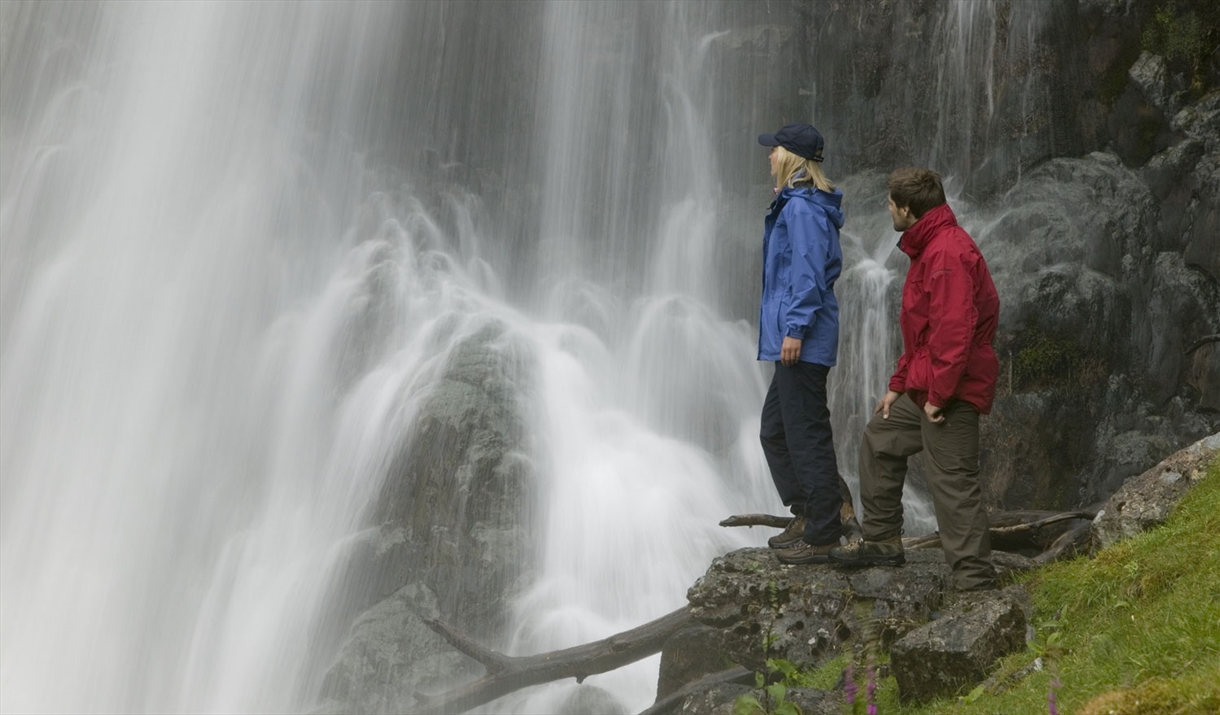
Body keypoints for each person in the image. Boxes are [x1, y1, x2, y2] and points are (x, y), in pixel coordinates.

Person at [829, 167, 1000, 591]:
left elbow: (953, 333)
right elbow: (921, 334)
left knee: (953, 483)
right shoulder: (929, 248)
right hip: (927, 385)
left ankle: (976, 584)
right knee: (880, 437)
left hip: (951, 392)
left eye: (890, 202)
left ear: (908, 209)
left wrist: (939, 396)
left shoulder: (946, 255)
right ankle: (884, 540)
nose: (886, 208)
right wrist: (898, 385)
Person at [755, 123, 849, 565]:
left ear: (790, 156)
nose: (767, 157)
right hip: (790, 341)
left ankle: (825, 531)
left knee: (805, 434)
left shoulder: (803, 210)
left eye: (772, 150)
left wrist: (795, 329)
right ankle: (809, 511)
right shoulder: (793, 204)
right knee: (775, 430)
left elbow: (807, 275)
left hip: (802, 341)